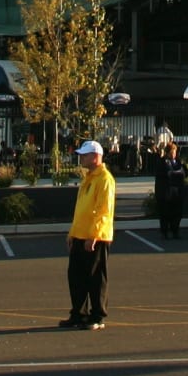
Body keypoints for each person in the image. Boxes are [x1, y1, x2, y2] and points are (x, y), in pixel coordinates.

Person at [60, 139, 116, 331]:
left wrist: (94, 235)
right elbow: (81, 209)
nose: (81, 158)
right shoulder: (88, 178)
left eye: (84, 155)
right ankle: (78, 313)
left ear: (95, 156)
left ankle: (97, 315)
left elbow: (103, 211)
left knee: (96, 277)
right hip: (80, 235)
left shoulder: (104, 179)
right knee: (76, 276)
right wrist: (72, 233)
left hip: (95, 237)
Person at [154, 140, 188, 238]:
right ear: (168, 152)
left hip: (177, 192)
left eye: (175, 152)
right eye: (172, 152)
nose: (174, 154)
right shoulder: (161, 162)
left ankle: (175, 231)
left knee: (177, 213)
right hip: (165, 193)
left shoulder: (179, 161)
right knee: (165, 213)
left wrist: (182, 168)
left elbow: (186, 173)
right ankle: (164, 232)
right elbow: (162, 175)